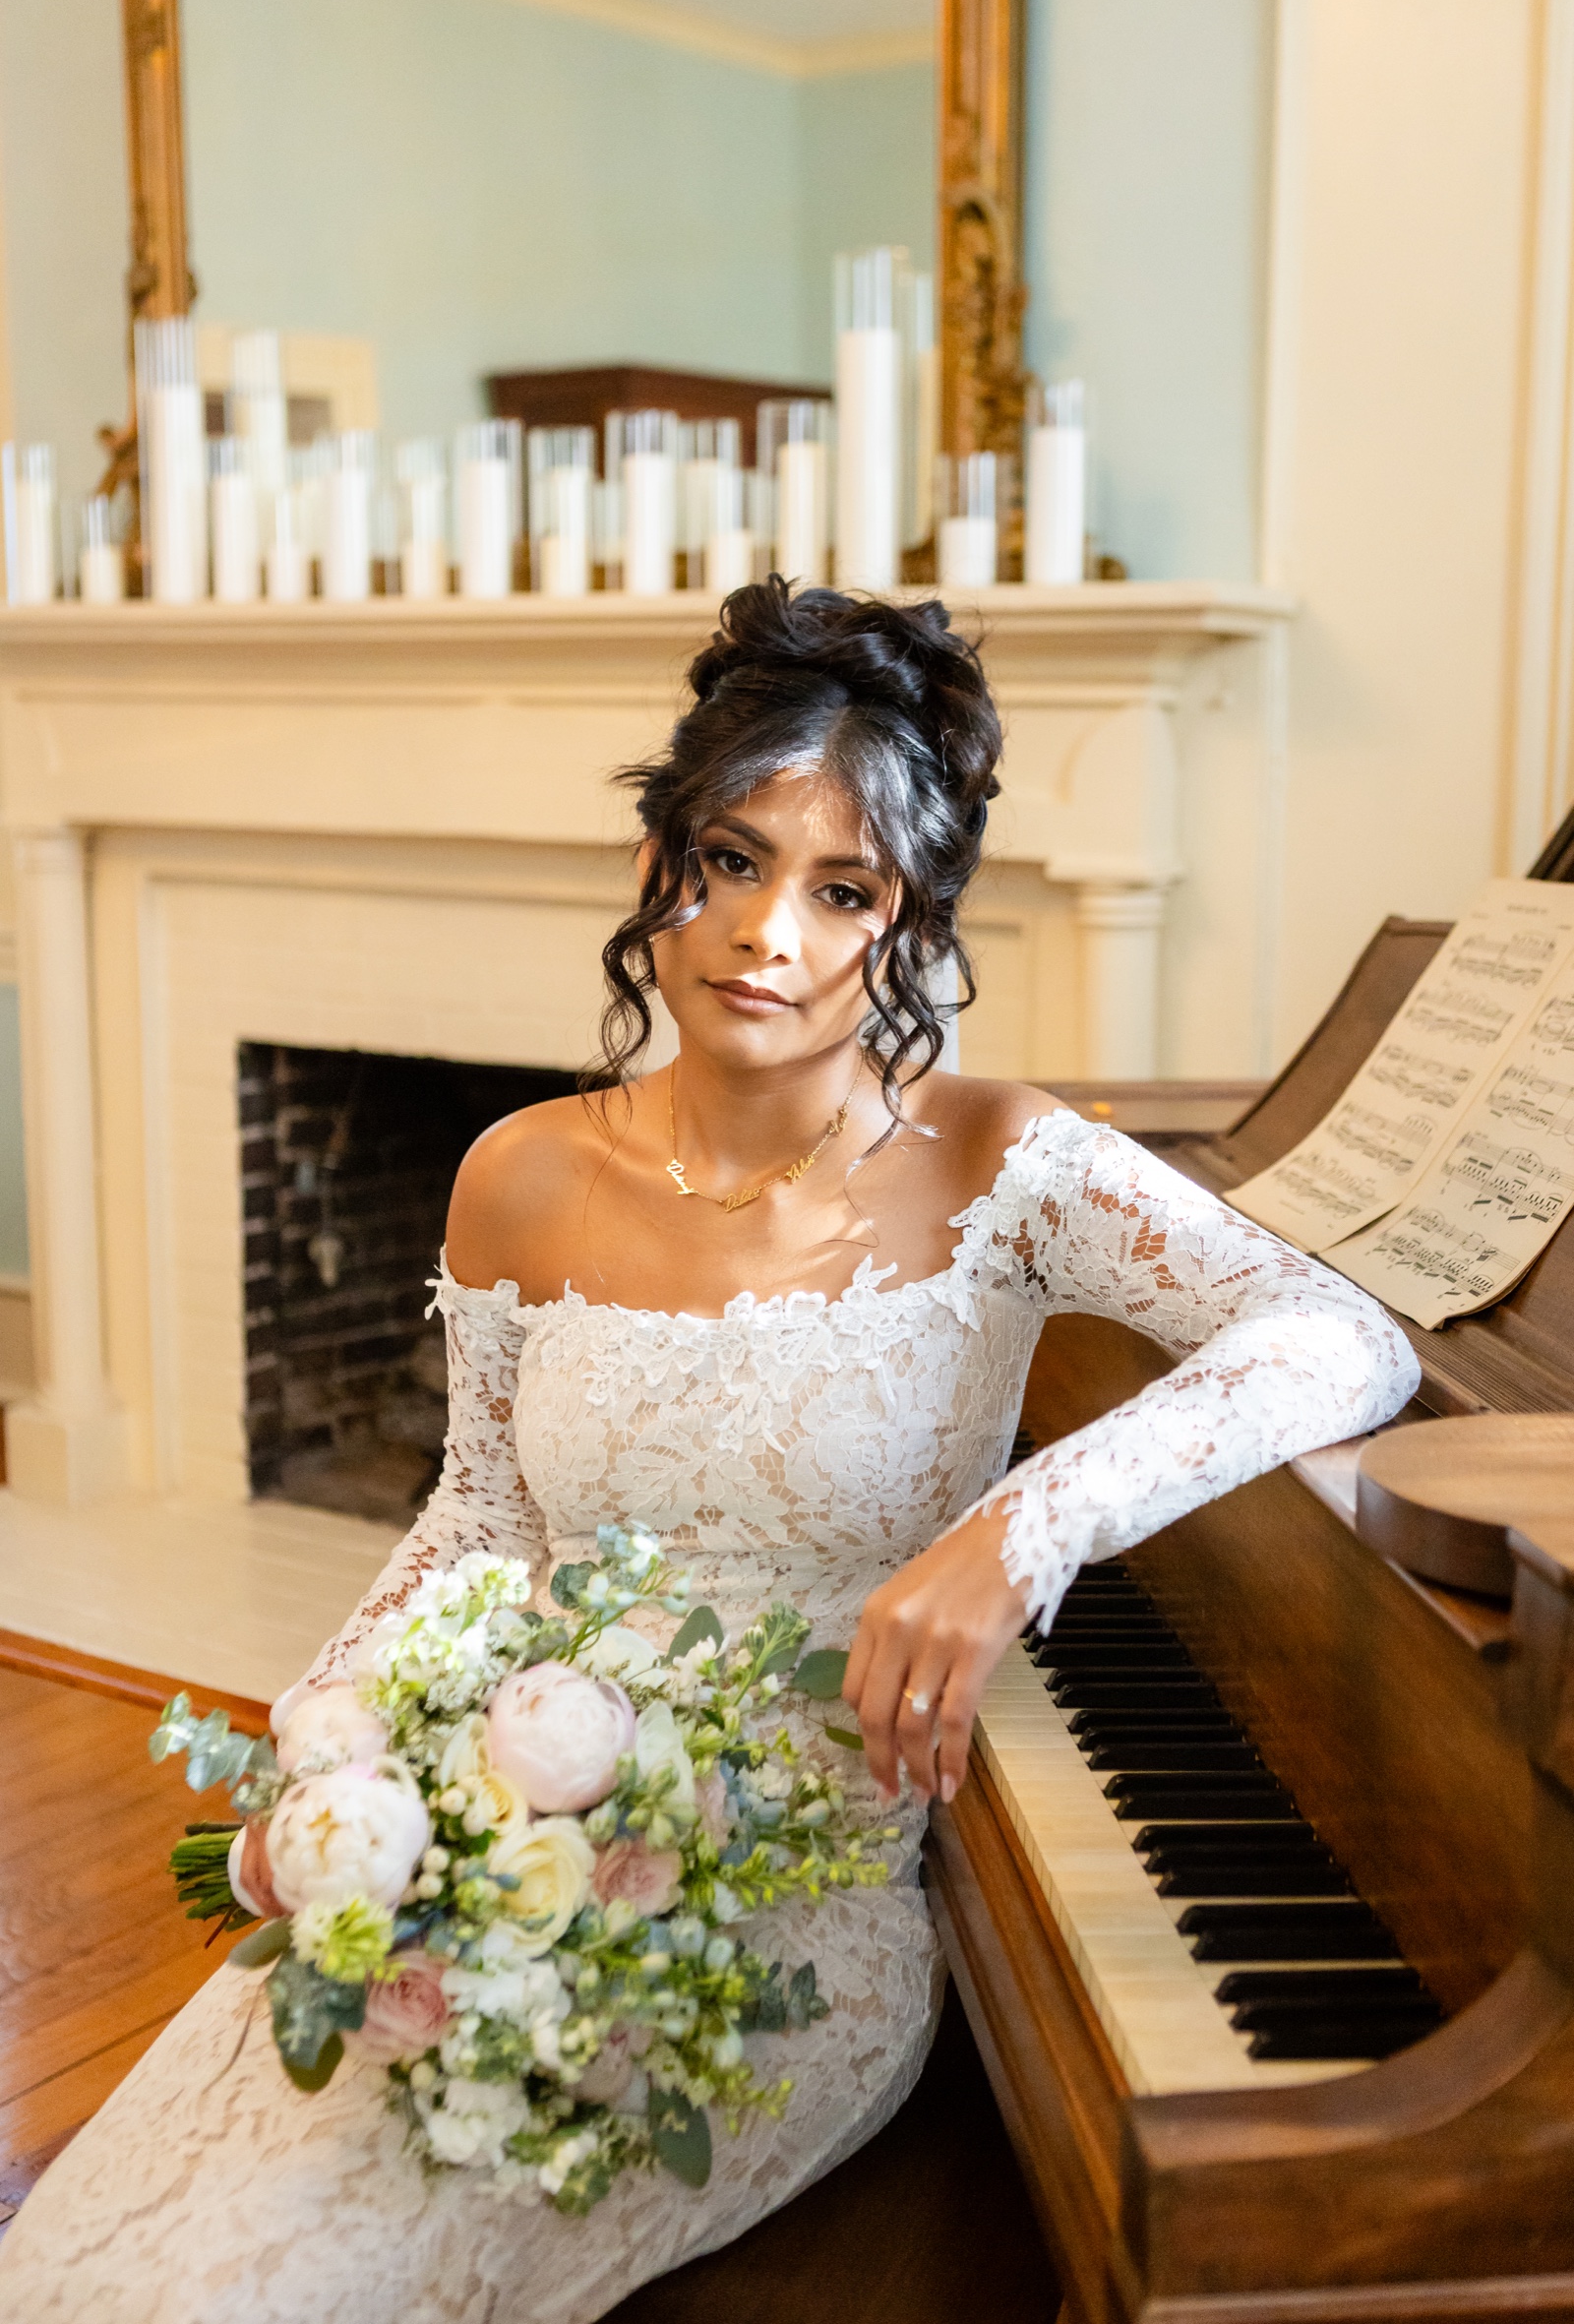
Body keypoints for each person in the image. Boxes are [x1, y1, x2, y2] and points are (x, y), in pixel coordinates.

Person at [0, 582, 1418, 2322]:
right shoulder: (518, 1170)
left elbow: (1348, 1337)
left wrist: (1014, 1537)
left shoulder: (1008, 1166)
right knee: (148, 2234)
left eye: (846, 892)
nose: (772, 934)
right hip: (505, 1829)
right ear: (658, 867)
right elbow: (480, 1517)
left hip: (792, 1918)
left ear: (909, 930)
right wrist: (337, 1765)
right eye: (733, 860)